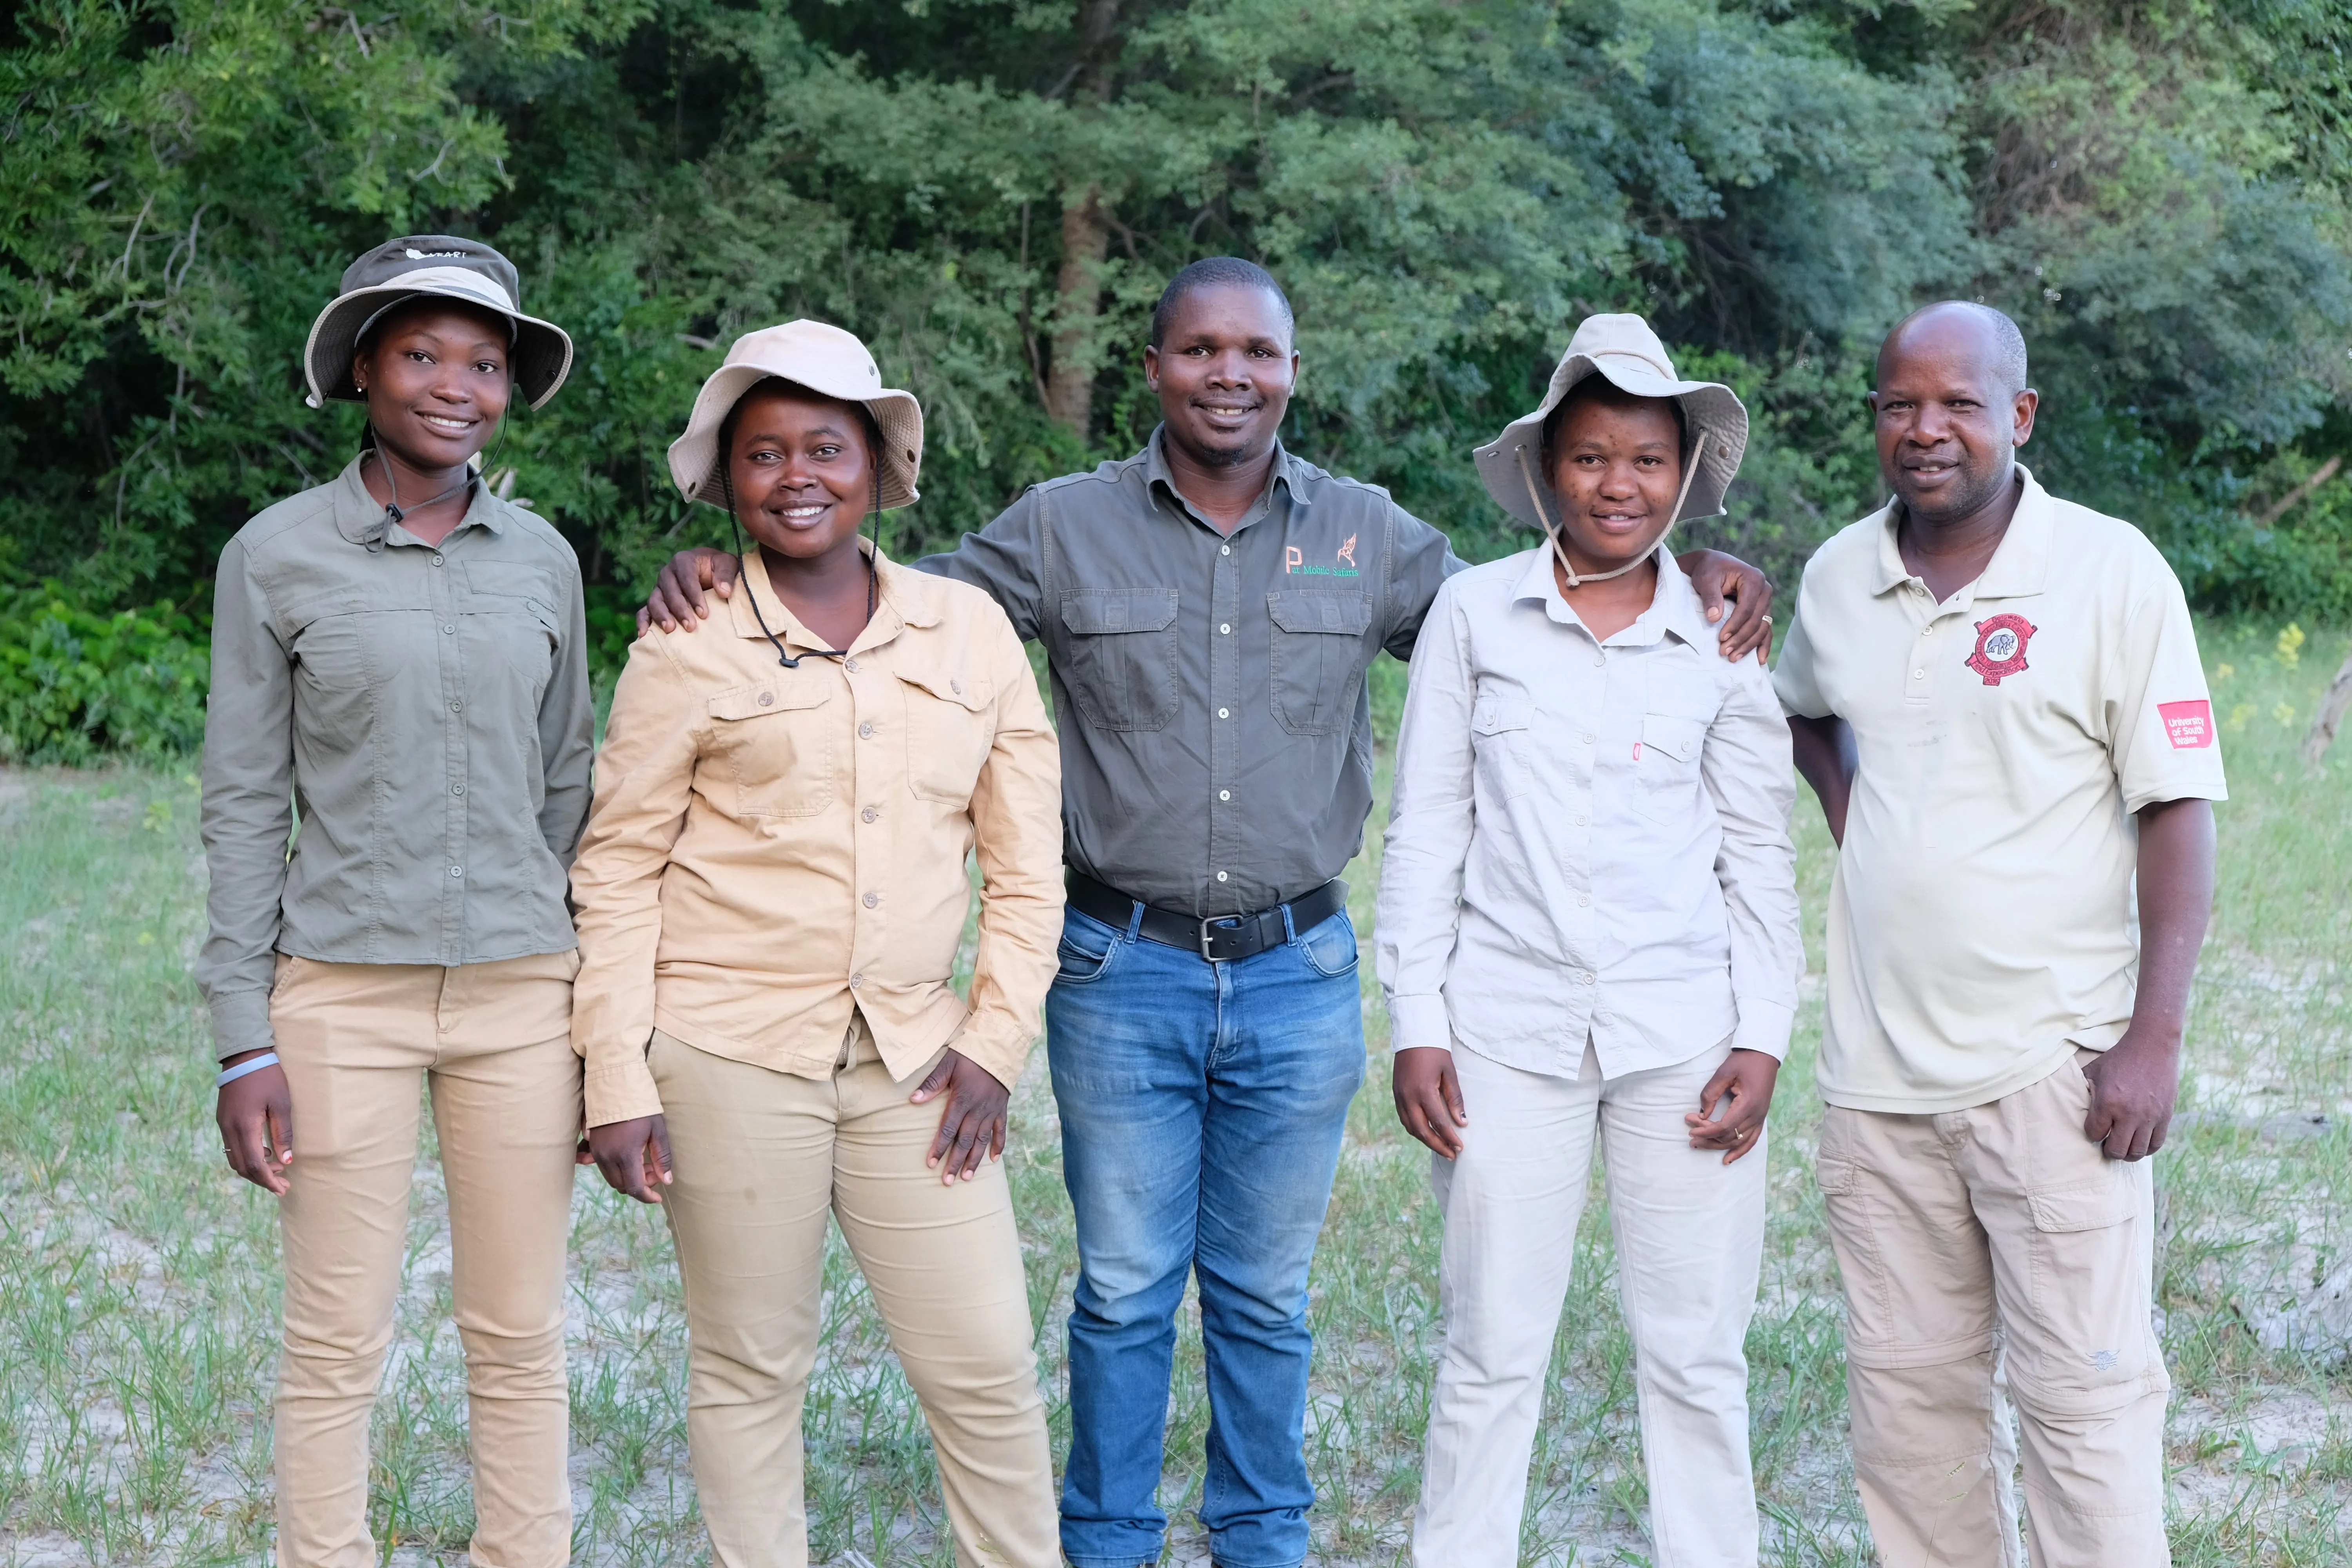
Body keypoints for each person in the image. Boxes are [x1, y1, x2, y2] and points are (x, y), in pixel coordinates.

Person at [637, 260, 1778, 1568]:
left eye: (1257, 351)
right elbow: (896, 601)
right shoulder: (1065, 527)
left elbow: (1555, 604)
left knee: (1267, 1294)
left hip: (1300, 968)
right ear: (1155, 368)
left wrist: (1703, 572)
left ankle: (1260, 1536)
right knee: (1121, 1288)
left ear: (1292, 369)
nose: (1228, 374)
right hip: (1122, 964)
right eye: (1199, 350)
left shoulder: (1369, 534)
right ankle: (1111, 1539)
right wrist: (728, 573)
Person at [570, 321, 1065, 1568]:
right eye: (763, 453)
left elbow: (1027, 870)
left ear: (879, 464)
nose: (797, 474)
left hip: (919, 1063)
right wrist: (616, 1078)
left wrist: (996, 1046)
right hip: (729, 1053)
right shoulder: (687, 640)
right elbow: (618, 864)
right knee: (750, 1366)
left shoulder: (972, 635)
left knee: (988, 1363)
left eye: (826, 447)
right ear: (729, 479)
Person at [1774, 301, 2224, 1566]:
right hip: (1878, 1092)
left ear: (2018, 415)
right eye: (1900, 405)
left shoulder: (2109, 570)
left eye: (1960, 403)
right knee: (1909, 1417)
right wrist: (1852, 807)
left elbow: (2179, 807)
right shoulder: (1840, 576)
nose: (1927, 430)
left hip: (2056, 1076)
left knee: (2084, 1406)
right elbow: (1800, 708)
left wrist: (2154, 1042)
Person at [1377, 314, 1802, 1568]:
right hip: (1505, 1034)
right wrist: (1417, 1024)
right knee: (1491, 1348)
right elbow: (1424, 833)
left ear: (1685, 476)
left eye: (1649, 462)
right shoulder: (1473, 617)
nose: (1621, 486)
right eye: (1592, 459)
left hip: (1686, 1035)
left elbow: (1759, 858)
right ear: (1548, 470)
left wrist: (1764, 1035)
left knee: (1694, 1353)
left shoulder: (1723, 638)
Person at [198, 236, 591, 1568]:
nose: (454, 387)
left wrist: (577, 987)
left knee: (519, 1328)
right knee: (334, 1333)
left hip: (523, 1001)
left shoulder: (544, 560)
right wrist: (243, 1036)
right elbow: (246, 800)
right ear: (363, 367)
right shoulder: (274, 556)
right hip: (341, 1001)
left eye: (483, 363)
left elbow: (569, 781)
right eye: (421, 353)